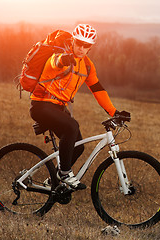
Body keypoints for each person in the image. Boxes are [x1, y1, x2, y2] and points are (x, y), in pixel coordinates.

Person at [29, 24, 130, 190]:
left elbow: (97, 88)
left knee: (79, 146)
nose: (82, 48)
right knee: (72, 127)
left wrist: (114, 112)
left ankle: (53, 182)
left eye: (87, 45)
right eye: (79, 43)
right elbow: (54, 63)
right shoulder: (61, 55)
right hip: (42, 105)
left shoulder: (87, 65)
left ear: (91, 47)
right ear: (73, 41)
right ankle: (64, 173)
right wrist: (63, 60)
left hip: (59, 109)